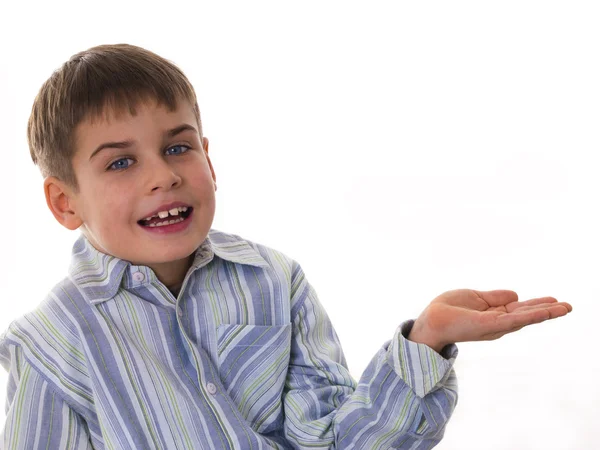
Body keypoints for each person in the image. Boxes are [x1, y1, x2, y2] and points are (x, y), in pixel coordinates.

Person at [0, 44, 572, 450]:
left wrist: (426, 340)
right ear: (64, 203)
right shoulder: (48, 344)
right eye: (121, 162)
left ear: (209, 158)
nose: (162, 176)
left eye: (178, 149)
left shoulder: (273, 281)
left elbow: (336, 442)